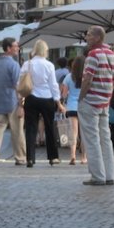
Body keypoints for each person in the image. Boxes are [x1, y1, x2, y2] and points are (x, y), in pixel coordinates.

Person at [78, 26, 114, 186]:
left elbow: (87, 78)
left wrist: (82, 97)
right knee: (105, 138)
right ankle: (110, 174)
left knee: (92, 139)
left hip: (91, 101)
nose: (86, 37)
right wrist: (107, 92)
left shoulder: (93, 55)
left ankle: (97, 175)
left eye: (88, 35)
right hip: (104, 102)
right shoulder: (112, 54)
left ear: (96, 38)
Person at [19, 39, 66, 167]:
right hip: (47, 98)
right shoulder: (49, 65)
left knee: (30, 128)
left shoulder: (27, 64)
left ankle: (30, 158)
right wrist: (58, 102)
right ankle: (53, 157)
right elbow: (53, 85)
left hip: (31, 97)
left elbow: (21, 82)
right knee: (50, 127)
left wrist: (20, 99)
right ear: (45, 51)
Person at [0, 38, 26, 166]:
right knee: (17, 130)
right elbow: (17, 85)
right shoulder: (13, 65)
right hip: (12, 101)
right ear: (8, 48)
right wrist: (21, 102)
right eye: (15, 46)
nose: (17, 48)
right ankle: (20, 157)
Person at [60, 56, 87, 166]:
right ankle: (84, 158)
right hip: (84, 107)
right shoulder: (87, 77)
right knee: (84, 134)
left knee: (73, 133)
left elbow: (64, 94)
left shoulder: (68, 77)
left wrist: (62, 104)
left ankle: (72, 156)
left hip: (71, 107)